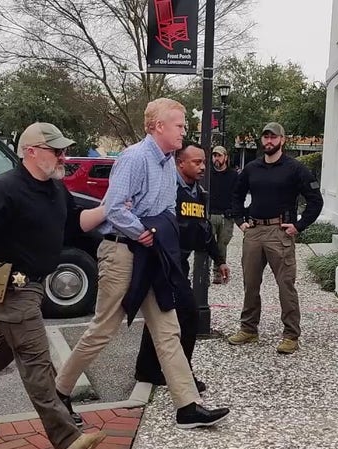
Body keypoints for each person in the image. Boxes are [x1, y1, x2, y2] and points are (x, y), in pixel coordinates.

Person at [54, 98, 230, 429]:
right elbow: (116, 209)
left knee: (167, 328)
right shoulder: (134, 159)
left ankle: (188, 406)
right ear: (158, 126)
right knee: (104, 328)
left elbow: (164, 211)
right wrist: (141, 230)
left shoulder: (166, 163)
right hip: (122, 252)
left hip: (150, 253)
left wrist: (150, 228)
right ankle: (59, 390)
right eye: (179, 125)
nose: (184, 130)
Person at [0, 122, 108, 449]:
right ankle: (66, 438)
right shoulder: (0, 190)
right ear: (31, 151)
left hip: (34, 285)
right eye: (57, 150)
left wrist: (111, 206)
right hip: (10, 287)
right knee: (37, 361)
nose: (64, 156)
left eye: (64, 150)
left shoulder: (54, 188)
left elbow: (75, 223)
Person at [134, 140, 230, 392]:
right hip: (162, 263)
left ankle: (147, 370)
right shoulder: (167, 190)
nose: (202, 167)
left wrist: (219, 259)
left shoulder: (197, 192)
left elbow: (204, 229)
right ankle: (182, 376)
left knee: (162, 315)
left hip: (179, 265)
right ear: (180, 163)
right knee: (188, 315)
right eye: (196, 162)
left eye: (204, 162)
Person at [228, 122, 324, 354]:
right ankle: (249, 328)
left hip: (279, 233)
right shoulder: (252, 168)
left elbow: (315, 200)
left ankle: (291, 335)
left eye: (273, 138)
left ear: (282, 140)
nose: (268, 142)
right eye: (265, 138)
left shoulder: (295, 168)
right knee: (250, 284)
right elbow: (236, 196)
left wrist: (299, 226)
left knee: (285, 286)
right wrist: (241, 221)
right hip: (254, 232)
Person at [208, 145, 238, 284]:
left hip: (226, 216)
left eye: (219, 155)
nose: (216, 158)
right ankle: (202, 273)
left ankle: (218, 273)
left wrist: (233, 210)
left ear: (225, 157)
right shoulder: (207, 174)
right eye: (214, 155)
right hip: (209, 214)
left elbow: (237, 195)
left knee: (222, 245)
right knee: (207, 244)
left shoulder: (233, 175)